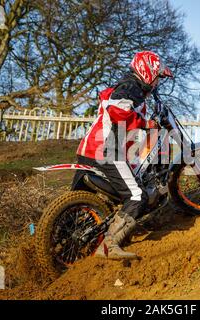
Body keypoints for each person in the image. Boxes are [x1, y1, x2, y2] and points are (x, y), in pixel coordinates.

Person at [73, 51, 173, 260]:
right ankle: (108, 247)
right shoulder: (131, 88)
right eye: (156, 77)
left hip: (91, 149)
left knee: (77, 212)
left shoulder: (130, 89)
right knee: (137, 196)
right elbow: (118, 112)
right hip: (107, 151)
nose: (156, 83)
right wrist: (146, 124)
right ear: (147, 73)